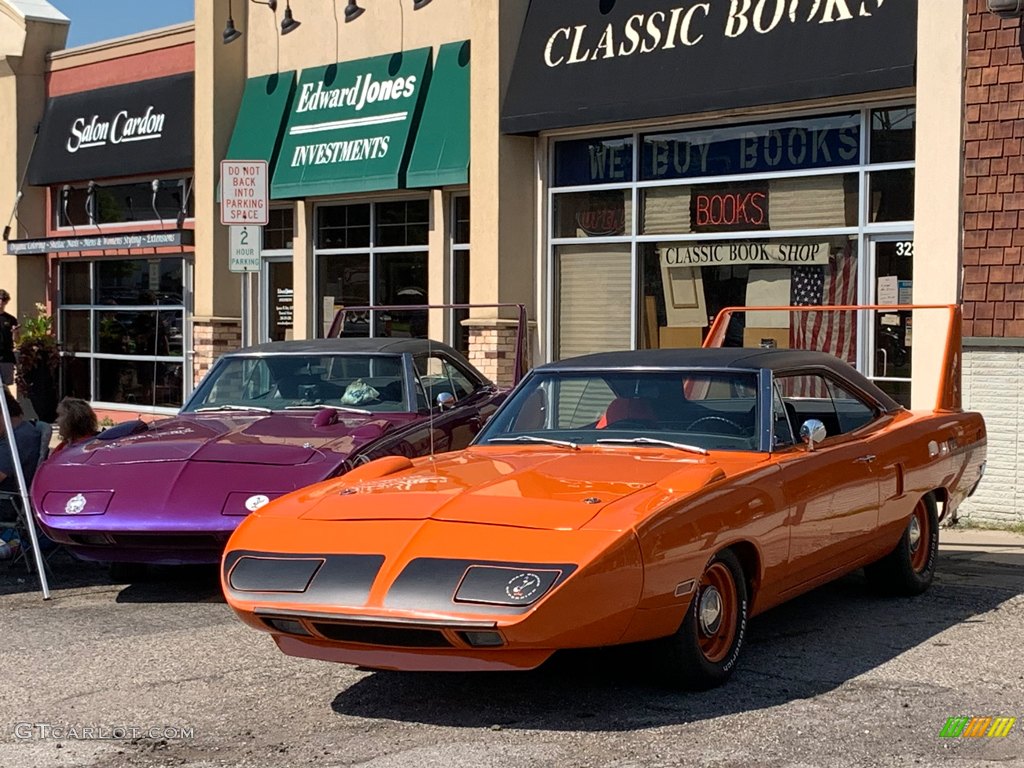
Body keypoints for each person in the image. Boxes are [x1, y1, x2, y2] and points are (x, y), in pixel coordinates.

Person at [0, 289, 17, 387]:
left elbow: (16, 340)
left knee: (4, 386)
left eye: (3, 300)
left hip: (6, 358)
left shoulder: (11, 319)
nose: (0, 302)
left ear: (6, 302)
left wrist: (15, 333)